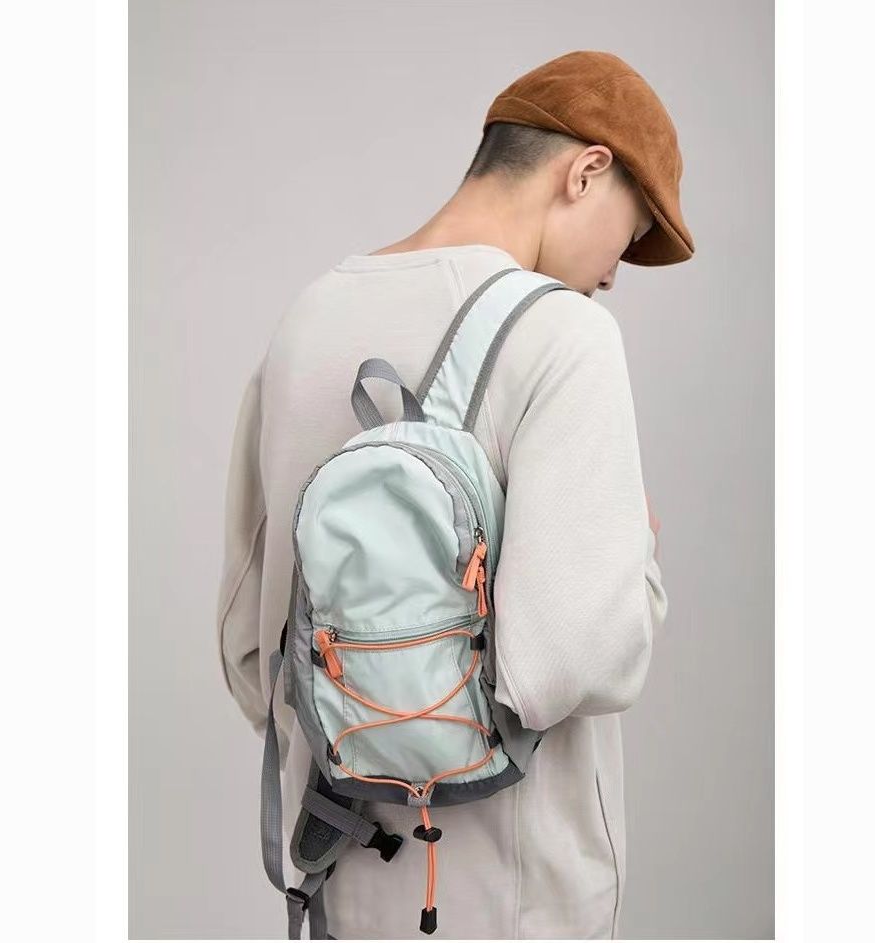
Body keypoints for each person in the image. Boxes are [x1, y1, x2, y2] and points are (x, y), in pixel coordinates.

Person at [217, 49, 693, 940]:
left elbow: (250, 647)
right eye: (627, 236)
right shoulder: (566, 332)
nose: (611, 274)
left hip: (342, 874)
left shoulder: (308, 318)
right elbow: (569, 662)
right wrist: (638, 554)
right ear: (585, 170)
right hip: (516, 895)